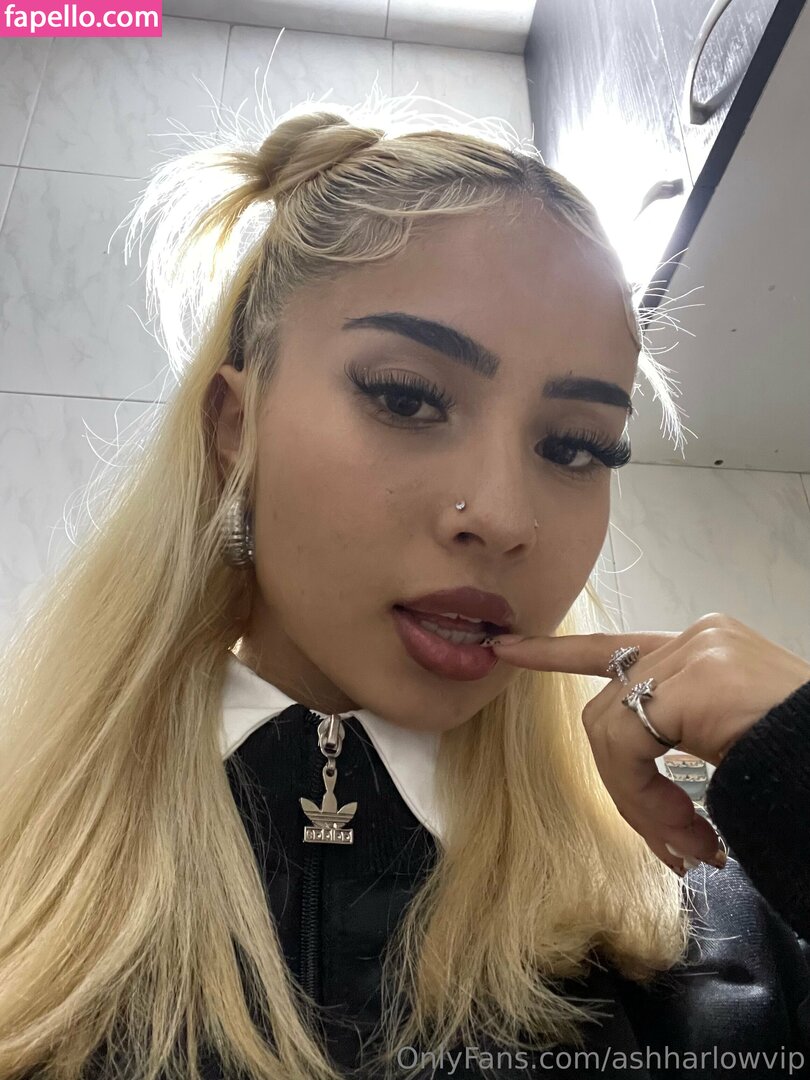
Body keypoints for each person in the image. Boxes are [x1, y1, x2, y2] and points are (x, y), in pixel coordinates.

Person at [0, 90, 808, 1080]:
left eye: (576, 445)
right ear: (235, 427)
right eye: (408, 398)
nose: (503, 516)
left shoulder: (703, 920)